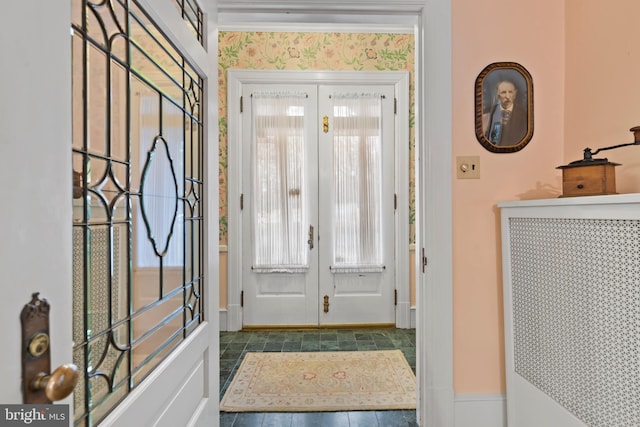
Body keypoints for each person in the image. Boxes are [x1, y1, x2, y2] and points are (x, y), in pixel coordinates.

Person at [485, 79, 527, 146]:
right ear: (498, 95)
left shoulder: (523, 114)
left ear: (515, 94)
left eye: (510, 92)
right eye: (503, 92)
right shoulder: (493, 110)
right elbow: (490, 134)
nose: (507, 96)